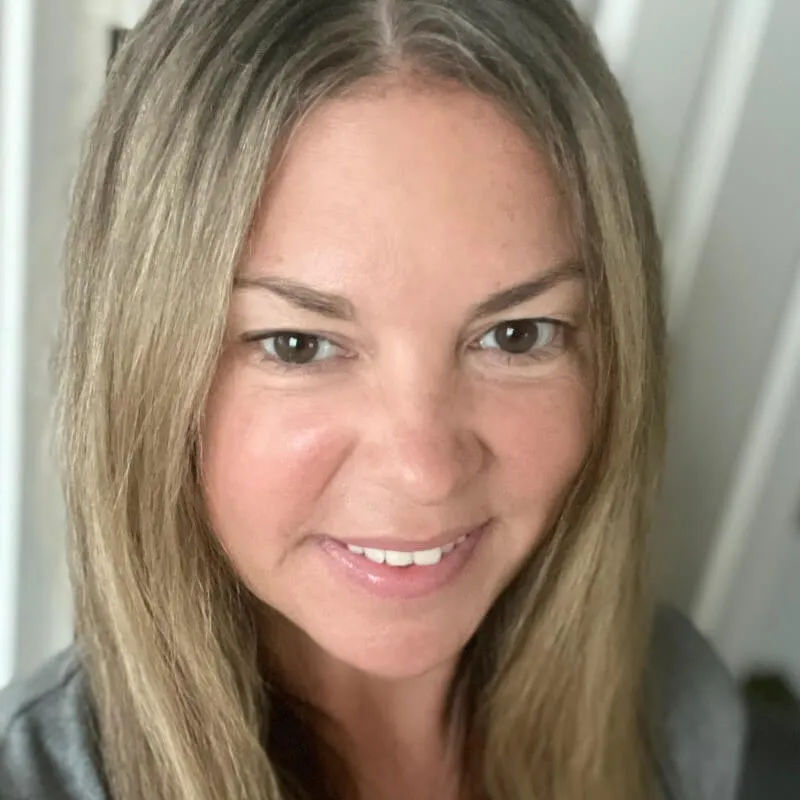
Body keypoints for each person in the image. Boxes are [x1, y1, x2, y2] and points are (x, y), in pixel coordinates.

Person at [0, 1, 745, 798]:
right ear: (145, 371)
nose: (425, 471)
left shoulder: (674, 709)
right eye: (299, 345)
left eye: (517, 336)